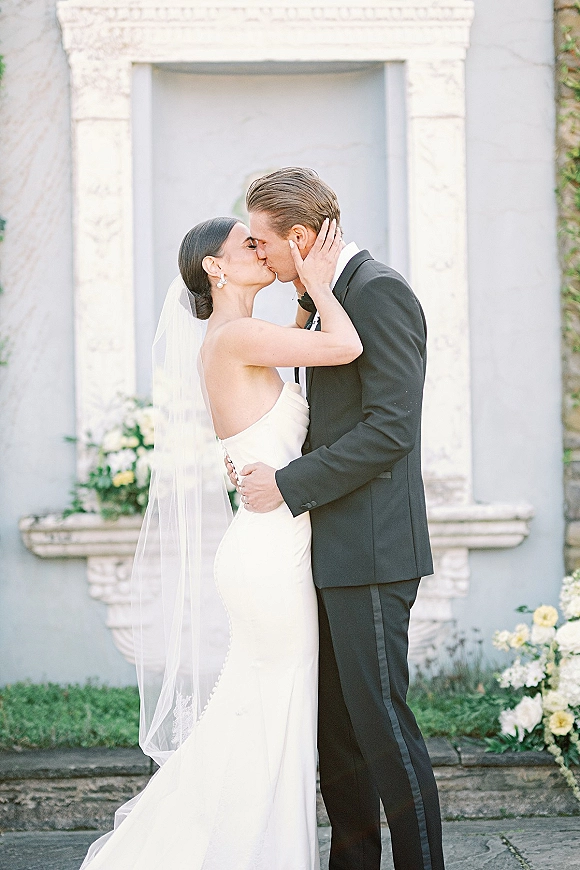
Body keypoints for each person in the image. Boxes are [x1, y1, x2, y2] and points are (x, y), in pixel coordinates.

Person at [78, 214, 361, 870]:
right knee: (269, 720)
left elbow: (282, 386)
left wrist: (298, 299)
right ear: (216, 267)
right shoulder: (235, 338)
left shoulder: (236, 337)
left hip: (268, 542)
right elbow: (344, 346)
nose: (261, 249)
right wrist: (319, 282)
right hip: (269, 553)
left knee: (265, 715)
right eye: (248, 244)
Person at [234, 167, 445, 870]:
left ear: (299, 237)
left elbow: (392, 428)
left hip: (373, 553)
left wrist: (286, 486)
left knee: (383, 731)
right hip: (322, 553)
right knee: (338, 740)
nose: (257, 255)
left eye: (262, 243)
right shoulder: (324, 301)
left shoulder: (377, 292)